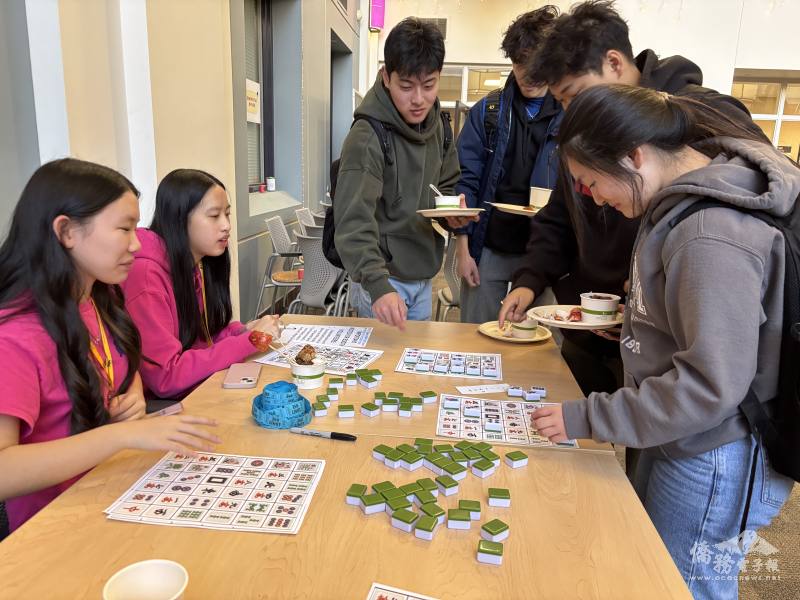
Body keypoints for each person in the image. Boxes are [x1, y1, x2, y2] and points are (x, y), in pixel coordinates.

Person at [532, 84, 795, 598]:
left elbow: (708, 385)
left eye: (590, 184)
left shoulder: (709, 232)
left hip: (716, 454)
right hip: (686, 440)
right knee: (653, 577)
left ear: (634, 155)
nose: (593, 200)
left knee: (683, 589)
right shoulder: (678, 207)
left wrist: (587, 418)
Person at [498, 0, 766, 399]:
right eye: (563, 104)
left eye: (574, 95)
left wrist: (648, 289)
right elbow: (559, 217)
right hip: (591, 328)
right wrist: (530, 280)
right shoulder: (587, 137)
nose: (573, 113)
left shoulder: (704, 116)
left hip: (671, 353)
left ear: (614, 63)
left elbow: (748, 218)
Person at [0, 159, 220, 532]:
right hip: (56, 526)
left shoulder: (97, 295)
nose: (137, 244)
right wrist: (120, 434)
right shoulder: (15, 336)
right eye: (123, 229)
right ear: (66, 231)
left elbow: (121, 363)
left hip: (114, 488)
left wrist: (131, 394)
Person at [333, 17, 473, 330]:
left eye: (429, 85)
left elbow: (446, 186)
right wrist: (378, 286)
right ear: (387, 77)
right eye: (406, 86)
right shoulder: (367, 135)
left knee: (411, 369)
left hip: (424, 274)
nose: (419, 99)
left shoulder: (439, 127)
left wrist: (452, 214)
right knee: (381, 374)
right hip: (382, 281)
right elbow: (353, 221)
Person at [122, 169, 280, 400]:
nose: (226, 225)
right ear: (180, 219)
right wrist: (249, 340)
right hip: (157, 407)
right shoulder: (145, 275)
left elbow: (200, 341)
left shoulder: (192, 263)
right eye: (214, 216)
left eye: (227, 214)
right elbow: (166, 377)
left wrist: (241, 331)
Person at [454, 7, 562, 324]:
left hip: (544, 252)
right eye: (518, 63)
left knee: (539, 351)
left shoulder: (570, 114)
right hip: (489, 247)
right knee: (476, 340)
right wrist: (463, 250)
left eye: (534, 63)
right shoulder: (487, 111)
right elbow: (466, 182)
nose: (526, 74)